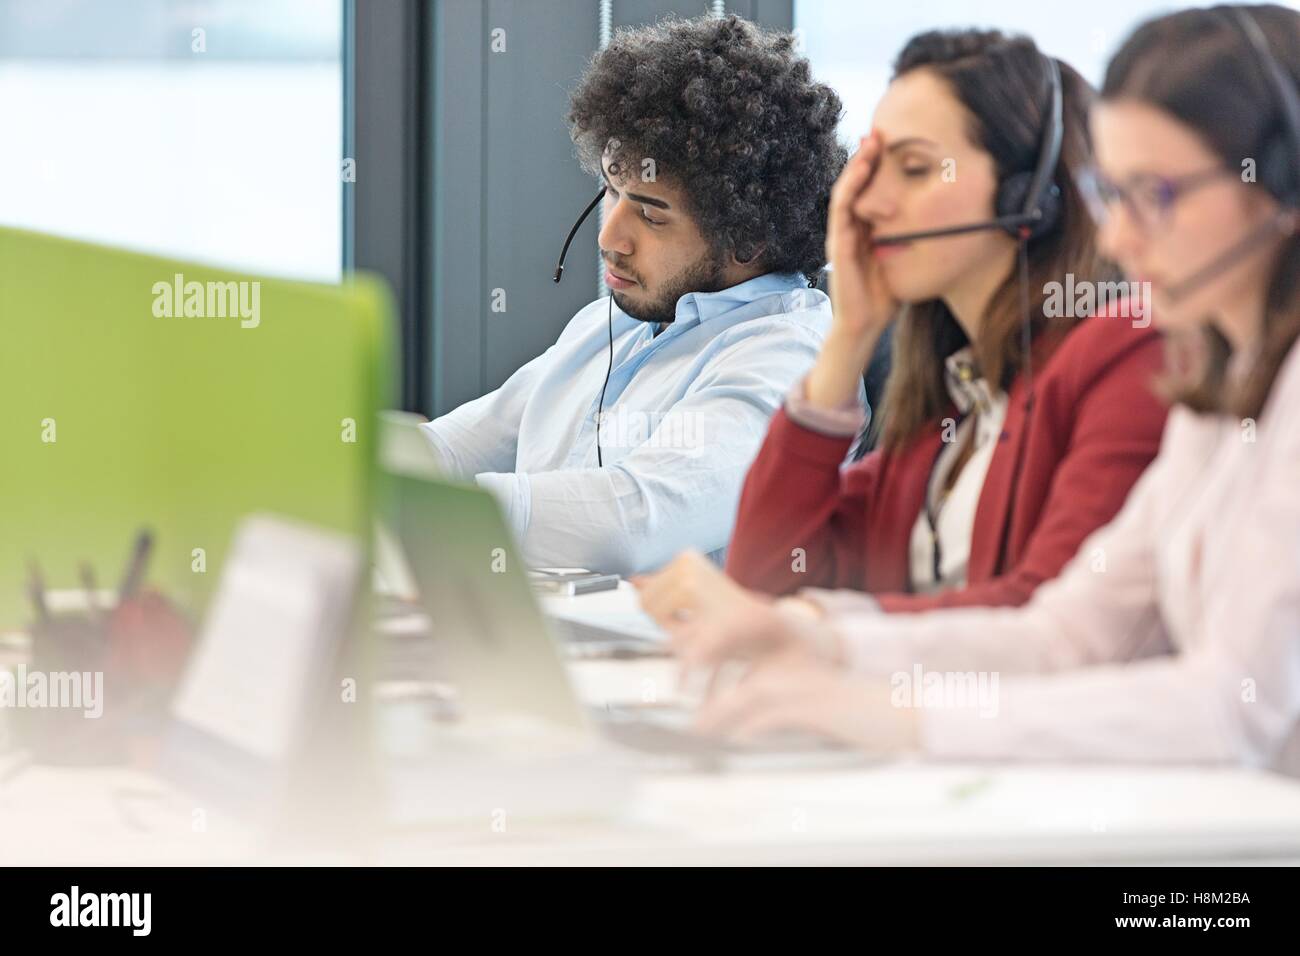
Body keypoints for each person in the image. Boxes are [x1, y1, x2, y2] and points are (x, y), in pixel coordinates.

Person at [641, 5, 1300, 771]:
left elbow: (1236, 712)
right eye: (1116, 196)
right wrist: (816, 638)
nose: (1121, 237)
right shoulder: (1219, 391)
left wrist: (889, 713)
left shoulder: (1159, 360)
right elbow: (1068, 635)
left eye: (1158, 193)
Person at [646, 29, 1167, 618]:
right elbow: (766, 578)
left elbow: (1051, 622)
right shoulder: (949, 417)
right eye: (872, 170)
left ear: (1029, 196)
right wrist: (848, 341)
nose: (868, 205)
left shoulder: (1129, 363)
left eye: (914, 169)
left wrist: (822, 625)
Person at [421, 15, 845, 575]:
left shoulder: (791, 362)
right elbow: (450, 452)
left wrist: (432, 513)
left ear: (746, 237)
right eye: (613, 192)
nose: (609, 237)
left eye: (650, 213)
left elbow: (635, 521)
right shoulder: (613, 325)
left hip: (669, 660)